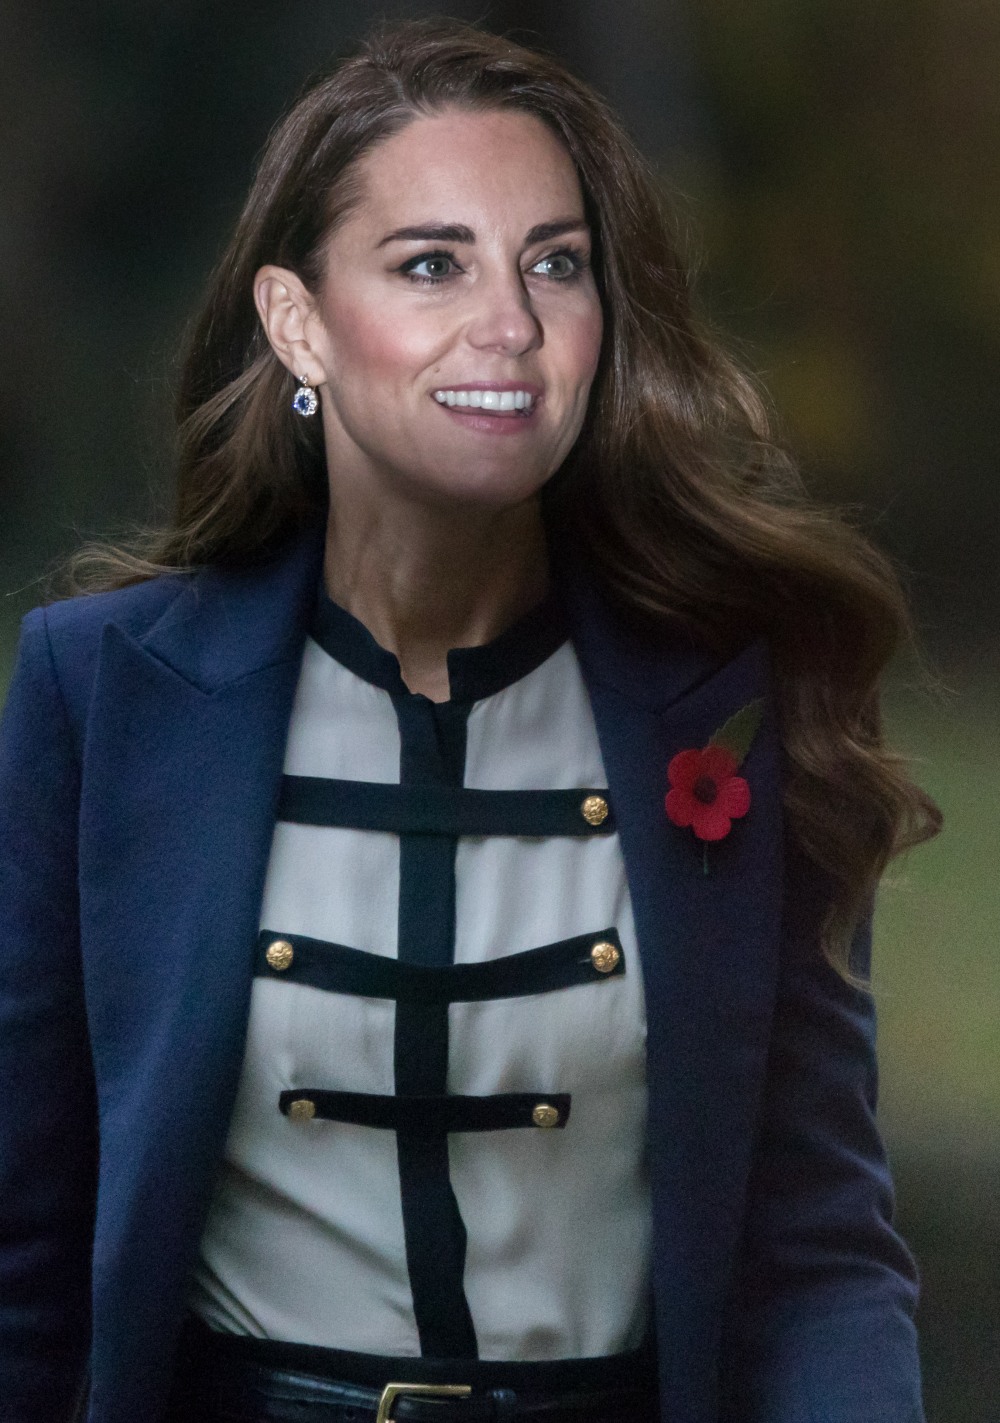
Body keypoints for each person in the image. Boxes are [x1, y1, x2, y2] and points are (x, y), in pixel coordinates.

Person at [0, 18, 939, 1423]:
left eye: (553, 264)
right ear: (296, 319)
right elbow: (25, 1253)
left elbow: (815, 1257)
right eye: (431, 263)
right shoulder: (107, 693)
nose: (508, 324)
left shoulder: (742, 697)